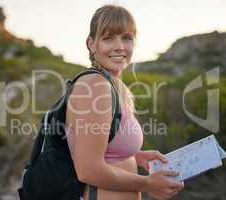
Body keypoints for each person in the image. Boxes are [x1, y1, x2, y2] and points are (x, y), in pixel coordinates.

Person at [65, 4, 184, 200]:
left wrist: (135, 157)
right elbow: (88, 170)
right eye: (108, 38)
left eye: (126, 37)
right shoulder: (95, 85)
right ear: (91, 44)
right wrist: (148, 183)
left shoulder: (114, 87)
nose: (119, 46)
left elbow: (101, 153)